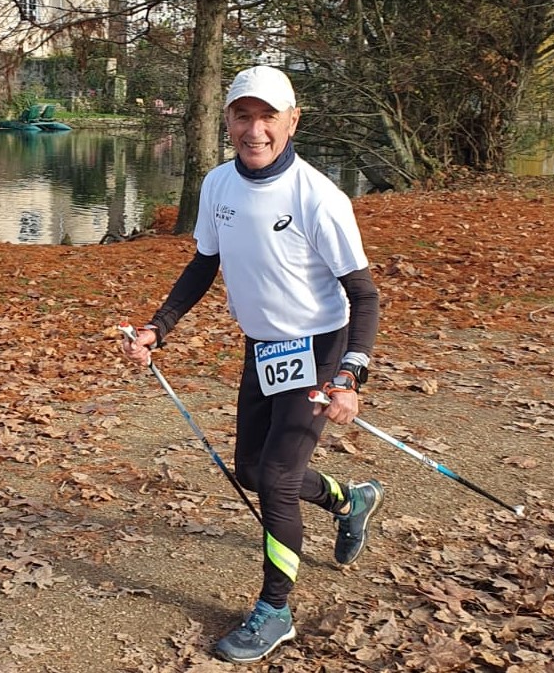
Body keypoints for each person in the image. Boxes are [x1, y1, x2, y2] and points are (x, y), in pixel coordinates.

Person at [121, 65, 383, 665]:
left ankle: (275, 609)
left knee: (279, 480)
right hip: (265, 347)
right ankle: (350, 500)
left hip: (319, 346)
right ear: (228, 120)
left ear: (293, 121)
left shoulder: (318, 197)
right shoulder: (218, 185)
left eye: (268, 117)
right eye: (243, 116)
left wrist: (350, 375)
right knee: (251, 469)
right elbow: (203, 263)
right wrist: (158, 327)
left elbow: (365, 297)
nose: (255, 130)